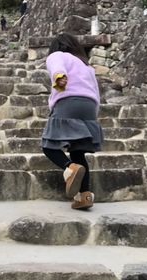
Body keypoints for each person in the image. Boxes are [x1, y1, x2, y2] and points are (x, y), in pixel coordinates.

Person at [41, 33, 103, 210]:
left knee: (49, 145)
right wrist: (92, 115)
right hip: (90, 107)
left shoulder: (57, 55)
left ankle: (69, 170)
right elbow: (96, 91)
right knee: (78, 152)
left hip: (69, 101)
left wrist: (60, 78)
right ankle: (84, 196)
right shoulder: (86, 65)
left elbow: (57, 68)